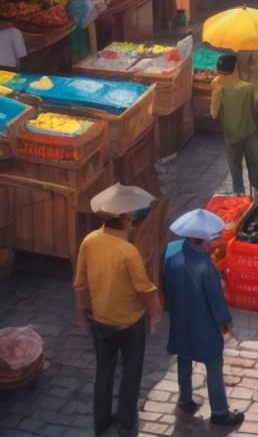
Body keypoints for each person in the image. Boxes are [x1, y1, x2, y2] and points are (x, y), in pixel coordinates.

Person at [73, 182, 160, 437]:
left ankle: (101, 426)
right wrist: (153, 314)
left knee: (104, 373)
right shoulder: (128, 252)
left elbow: (80, 282)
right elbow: (144, 289)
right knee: (131, 376)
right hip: (130, 323)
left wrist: (81, 310)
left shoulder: (90, 241)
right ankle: (126, 425)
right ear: (124, 219)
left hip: (100, 320)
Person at [162, 208, 244, 428]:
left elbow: (166, 285)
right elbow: (216, 300)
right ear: (204, 241)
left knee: (183, 358)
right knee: (214, 365)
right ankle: (219, 411)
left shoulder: (170, 251)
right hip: (203, 324)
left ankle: (185, 399)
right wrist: (225, 323)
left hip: (180, 318)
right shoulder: (205, 266)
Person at [210, 54, 258, 199]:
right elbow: (253, 112)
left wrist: (215, 90)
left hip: (231, 135)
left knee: (235, 169)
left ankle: (239, 199)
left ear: (218, 71)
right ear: (236, 68)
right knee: (254, 168)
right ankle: (257, 199)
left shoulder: (220, 90)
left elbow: (213, 113)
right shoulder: (248, 87)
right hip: (249, 133)